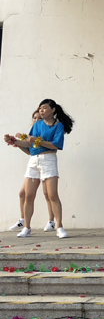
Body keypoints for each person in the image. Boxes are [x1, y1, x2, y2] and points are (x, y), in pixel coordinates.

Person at [5, 99, 74, 238]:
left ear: (53, 110)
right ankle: (26, 227)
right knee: (28, 195)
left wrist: (39, 141)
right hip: (34, 160)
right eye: (40, 108)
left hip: (48, 159)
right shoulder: (37, 125)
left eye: (44, 108)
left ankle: (59, 226)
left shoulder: (58, 126)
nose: (41, 110)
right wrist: (13, 141)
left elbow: (56, 145)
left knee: (52, 195)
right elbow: (29, 143)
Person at [7, 109, 56, 233]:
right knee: (23, 193)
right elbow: (30, 151)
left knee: (48, 194)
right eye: (34, 118)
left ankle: (51, 221)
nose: (36, 120)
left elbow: (51, 146)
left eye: (39, 118)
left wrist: (22, 140)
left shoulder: (44, 132)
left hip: (45, 162)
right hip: (34, 163)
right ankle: (23, 220)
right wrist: (15, 142)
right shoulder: (32, 133)